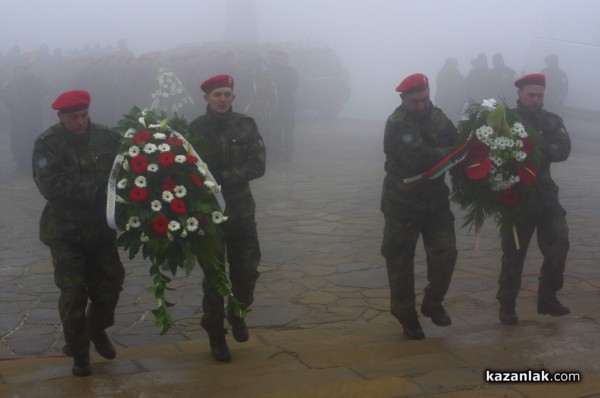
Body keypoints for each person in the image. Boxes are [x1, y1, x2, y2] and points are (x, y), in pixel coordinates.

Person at [32, 90, 125, 376]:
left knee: (110, 284)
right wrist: (94, 193)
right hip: (65, 234)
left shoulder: (106, 137)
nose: (81, 122)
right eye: (73, 117)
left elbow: (125, 169)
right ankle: (80, 354)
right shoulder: (48, 144)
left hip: (100, 230)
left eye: (84, 115)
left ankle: (95, 329)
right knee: (73, 294)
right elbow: (50, 186)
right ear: (61, 117)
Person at [186, 75, 266, 361]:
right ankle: (215, 334)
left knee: (247, 272)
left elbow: (258, 163)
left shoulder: (246, 125)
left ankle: (238, 312)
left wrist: (224, 179)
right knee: (214, 278)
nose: (223, 99)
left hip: (241, 213)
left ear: (233, 97)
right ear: (206, 98)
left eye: (227, 94)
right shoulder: (194, 129)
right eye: (217, 94)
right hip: (209, 217)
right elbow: (185, 170)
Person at [380, 73, 458, 340]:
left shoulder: (438, 115)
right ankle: (406, 316)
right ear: (403, 99)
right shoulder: (397, 123)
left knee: (446, 253)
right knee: (400, 263)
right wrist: (450, 151)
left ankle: (433, 303)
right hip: (402, 204)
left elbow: (458, 143)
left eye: (425, 99)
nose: (422, 106)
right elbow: (420, 158)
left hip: (436, 202)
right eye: (415, 102)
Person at [497, 73, 571, 325]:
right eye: (531, 95)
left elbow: (563, 149)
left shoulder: (551, 121)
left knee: (559, 245)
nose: (536, 100)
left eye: (540, 95)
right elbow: (491, 152)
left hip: (546, 197)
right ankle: (506, 304)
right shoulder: (503, 121)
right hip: (516, 197)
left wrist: (529, 150)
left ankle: (547, 297)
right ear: (520, 94)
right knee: (514, 255)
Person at [267, 49, 299, 162]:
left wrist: (276, 88)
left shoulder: (292, 71)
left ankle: (288, 153)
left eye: (283, 58)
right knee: (276, 130)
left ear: (286, 60)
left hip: (288, 106)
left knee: (288, 131)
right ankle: (276, 152)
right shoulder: (269, 71)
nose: (280, 60)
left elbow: (292, 87)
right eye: (278, 58)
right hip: (275, 106)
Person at [434, 57, 465, 125]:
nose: (454, 67)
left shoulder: (459, 76)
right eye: (452, 65)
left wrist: (462, 102)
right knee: (446, 122)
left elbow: (463, 90)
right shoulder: (442, 75)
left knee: (455, 122)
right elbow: (440, 89)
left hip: (456, 105)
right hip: (446, 104)